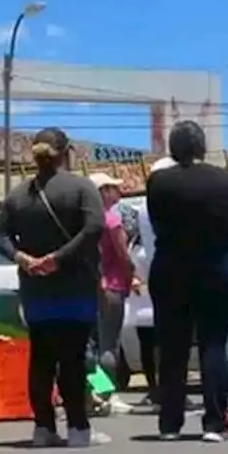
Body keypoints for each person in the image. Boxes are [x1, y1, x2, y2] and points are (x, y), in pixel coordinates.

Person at [0, 127, 110, 448]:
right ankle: (78, 428)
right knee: (73, 358)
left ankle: (43, 428)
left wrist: (23, 258)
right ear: (66, 151)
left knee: (41, 359)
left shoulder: (17, 196)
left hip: (36, 292)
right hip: (75, 288)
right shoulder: (82, 188)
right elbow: (94, 228)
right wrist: (58, 258)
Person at [147, 121, 228, 443]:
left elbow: (158, 223)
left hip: (171, 267)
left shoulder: (159, 181)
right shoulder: (224, 179)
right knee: (213, 344)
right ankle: (215, 422)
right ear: (202, 146)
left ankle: (169, 423)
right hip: (216, 266)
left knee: (172, 347)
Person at [122, 157, 176, 411]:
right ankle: (168, 389)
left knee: (148, 335)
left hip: (143, 268)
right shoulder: (170, 204)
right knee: (169, 337)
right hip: (164, 271)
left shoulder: (139, 206)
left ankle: (156, 389)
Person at [87, 172, 136, 416]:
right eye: (112, 188)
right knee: (110, 344)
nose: (117, 192)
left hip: (92, 285)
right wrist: (132, 274)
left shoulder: (86, 220)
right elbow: (122, 254)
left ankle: (96, 391)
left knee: (93, 345)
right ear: (104, 192)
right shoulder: (111, 220)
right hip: (113, 285)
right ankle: (108, 394)